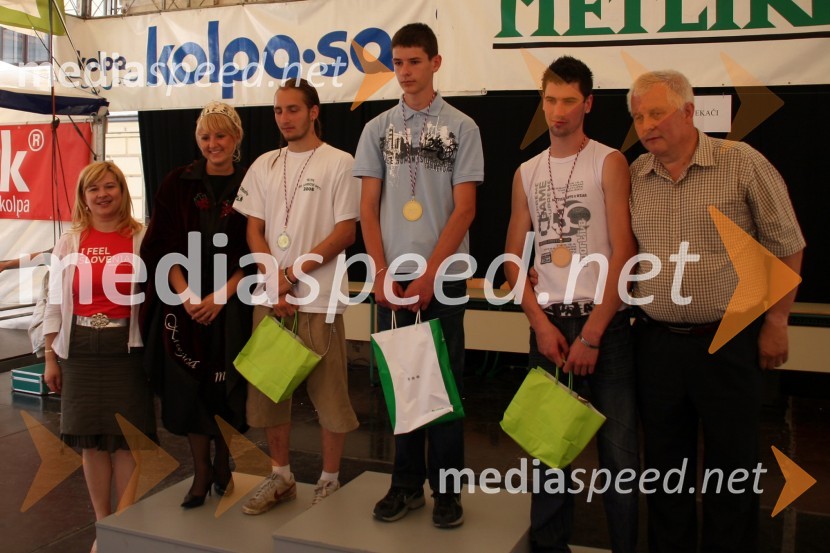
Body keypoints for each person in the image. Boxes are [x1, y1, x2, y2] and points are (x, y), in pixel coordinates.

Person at [627, 70, 805, 553]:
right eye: (639, 116)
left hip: (729, 340)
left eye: (657, 112)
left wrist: (776, 322)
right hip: (656, 343)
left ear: (689, 111)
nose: (646, 125)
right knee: (665, 468)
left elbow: (788, 246)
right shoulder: (635, 176)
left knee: (732, 467)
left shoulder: (741, 162)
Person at [504, 56, 639, 553]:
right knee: (548, 455)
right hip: (550, 327)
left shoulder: (609, 160)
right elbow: (513, 258)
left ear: (587, 104)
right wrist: (538, 323)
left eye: (567, 101)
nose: (557, 111)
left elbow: (624, 252)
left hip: (605, 325)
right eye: (549, 100)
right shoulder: (526, 171)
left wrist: (593, 333)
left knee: (620, 456)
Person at [353, 22, 484, 528]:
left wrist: (431, 275)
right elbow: (368, 208)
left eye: (414, 62)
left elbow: (466, 209)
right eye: (398, 62)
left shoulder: (462, 127)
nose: (405, 72)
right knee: (403, 384)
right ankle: (404, 485)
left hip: (442, 277)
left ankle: (447, 492)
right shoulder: (376, 129)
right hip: (392, 278)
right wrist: (382, 273)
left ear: (435, 63)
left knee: (443, 386)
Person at [232, 78, 360, 513]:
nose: (285, 118)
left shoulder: (340, 163)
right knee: (271, 394)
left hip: (319, 301)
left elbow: (345, 231)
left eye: (293, 109)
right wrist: (273, 280)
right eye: (278, 111)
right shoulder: (264, 164)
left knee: (330, 397)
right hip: (272, 298)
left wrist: (291, 274)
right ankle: (281, 475)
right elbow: (254, 228)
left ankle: (329, 480)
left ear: (314, 112)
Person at [140, 101, 252, 509]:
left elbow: (258, 250)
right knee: (190, 388)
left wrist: (222, 296)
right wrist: (187, 295)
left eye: (220, 135)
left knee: (227, 390)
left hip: (233, 303)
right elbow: (161, 244)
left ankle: (224, 460)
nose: (212, 143)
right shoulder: (177, 182)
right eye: (205, 136)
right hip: (183, 304)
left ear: (236, 137)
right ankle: (201, 471)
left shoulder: (252, 182)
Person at [42, 161, 156, 553]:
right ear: (84, 197)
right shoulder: (69, 242)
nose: (103, 194)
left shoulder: (143, 238)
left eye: (110, 186)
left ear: (123, 192)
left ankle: (123, 529)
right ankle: (103, 527)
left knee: (126, 441)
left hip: (127, 349)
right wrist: (50, 357)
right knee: (92, 442)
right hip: (80, 351)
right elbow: (54, 303)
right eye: (94, 189)